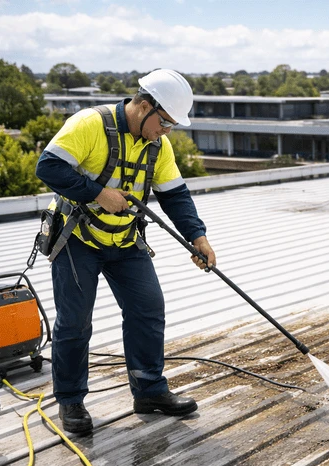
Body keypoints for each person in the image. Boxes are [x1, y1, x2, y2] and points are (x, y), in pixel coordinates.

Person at [36, 69, 216, 434]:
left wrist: (198, 238)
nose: (166, 132)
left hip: (125, 240)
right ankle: (70, 401)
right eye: (164, 123)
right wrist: (99, 193)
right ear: (145, 106)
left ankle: (149, 390)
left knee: (148, 308)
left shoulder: (158, 146)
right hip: (77, 239)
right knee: (75, 322)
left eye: (171, 127)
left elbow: (175, 195)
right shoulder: (89, 124)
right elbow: (48, 167)